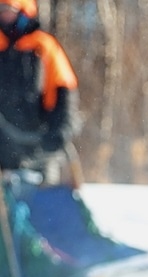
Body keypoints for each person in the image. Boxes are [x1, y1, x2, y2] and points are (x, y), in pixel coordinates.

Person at [0, 0, 80, 177]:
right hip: (3, 146)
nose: (4, 14)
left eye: (9, 9)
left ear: (22, 11)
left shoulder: (44, 45)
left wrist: (60, 130)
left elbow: (65, 91)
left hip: (40, 146)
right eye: (1, 9)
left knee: (46, 190)